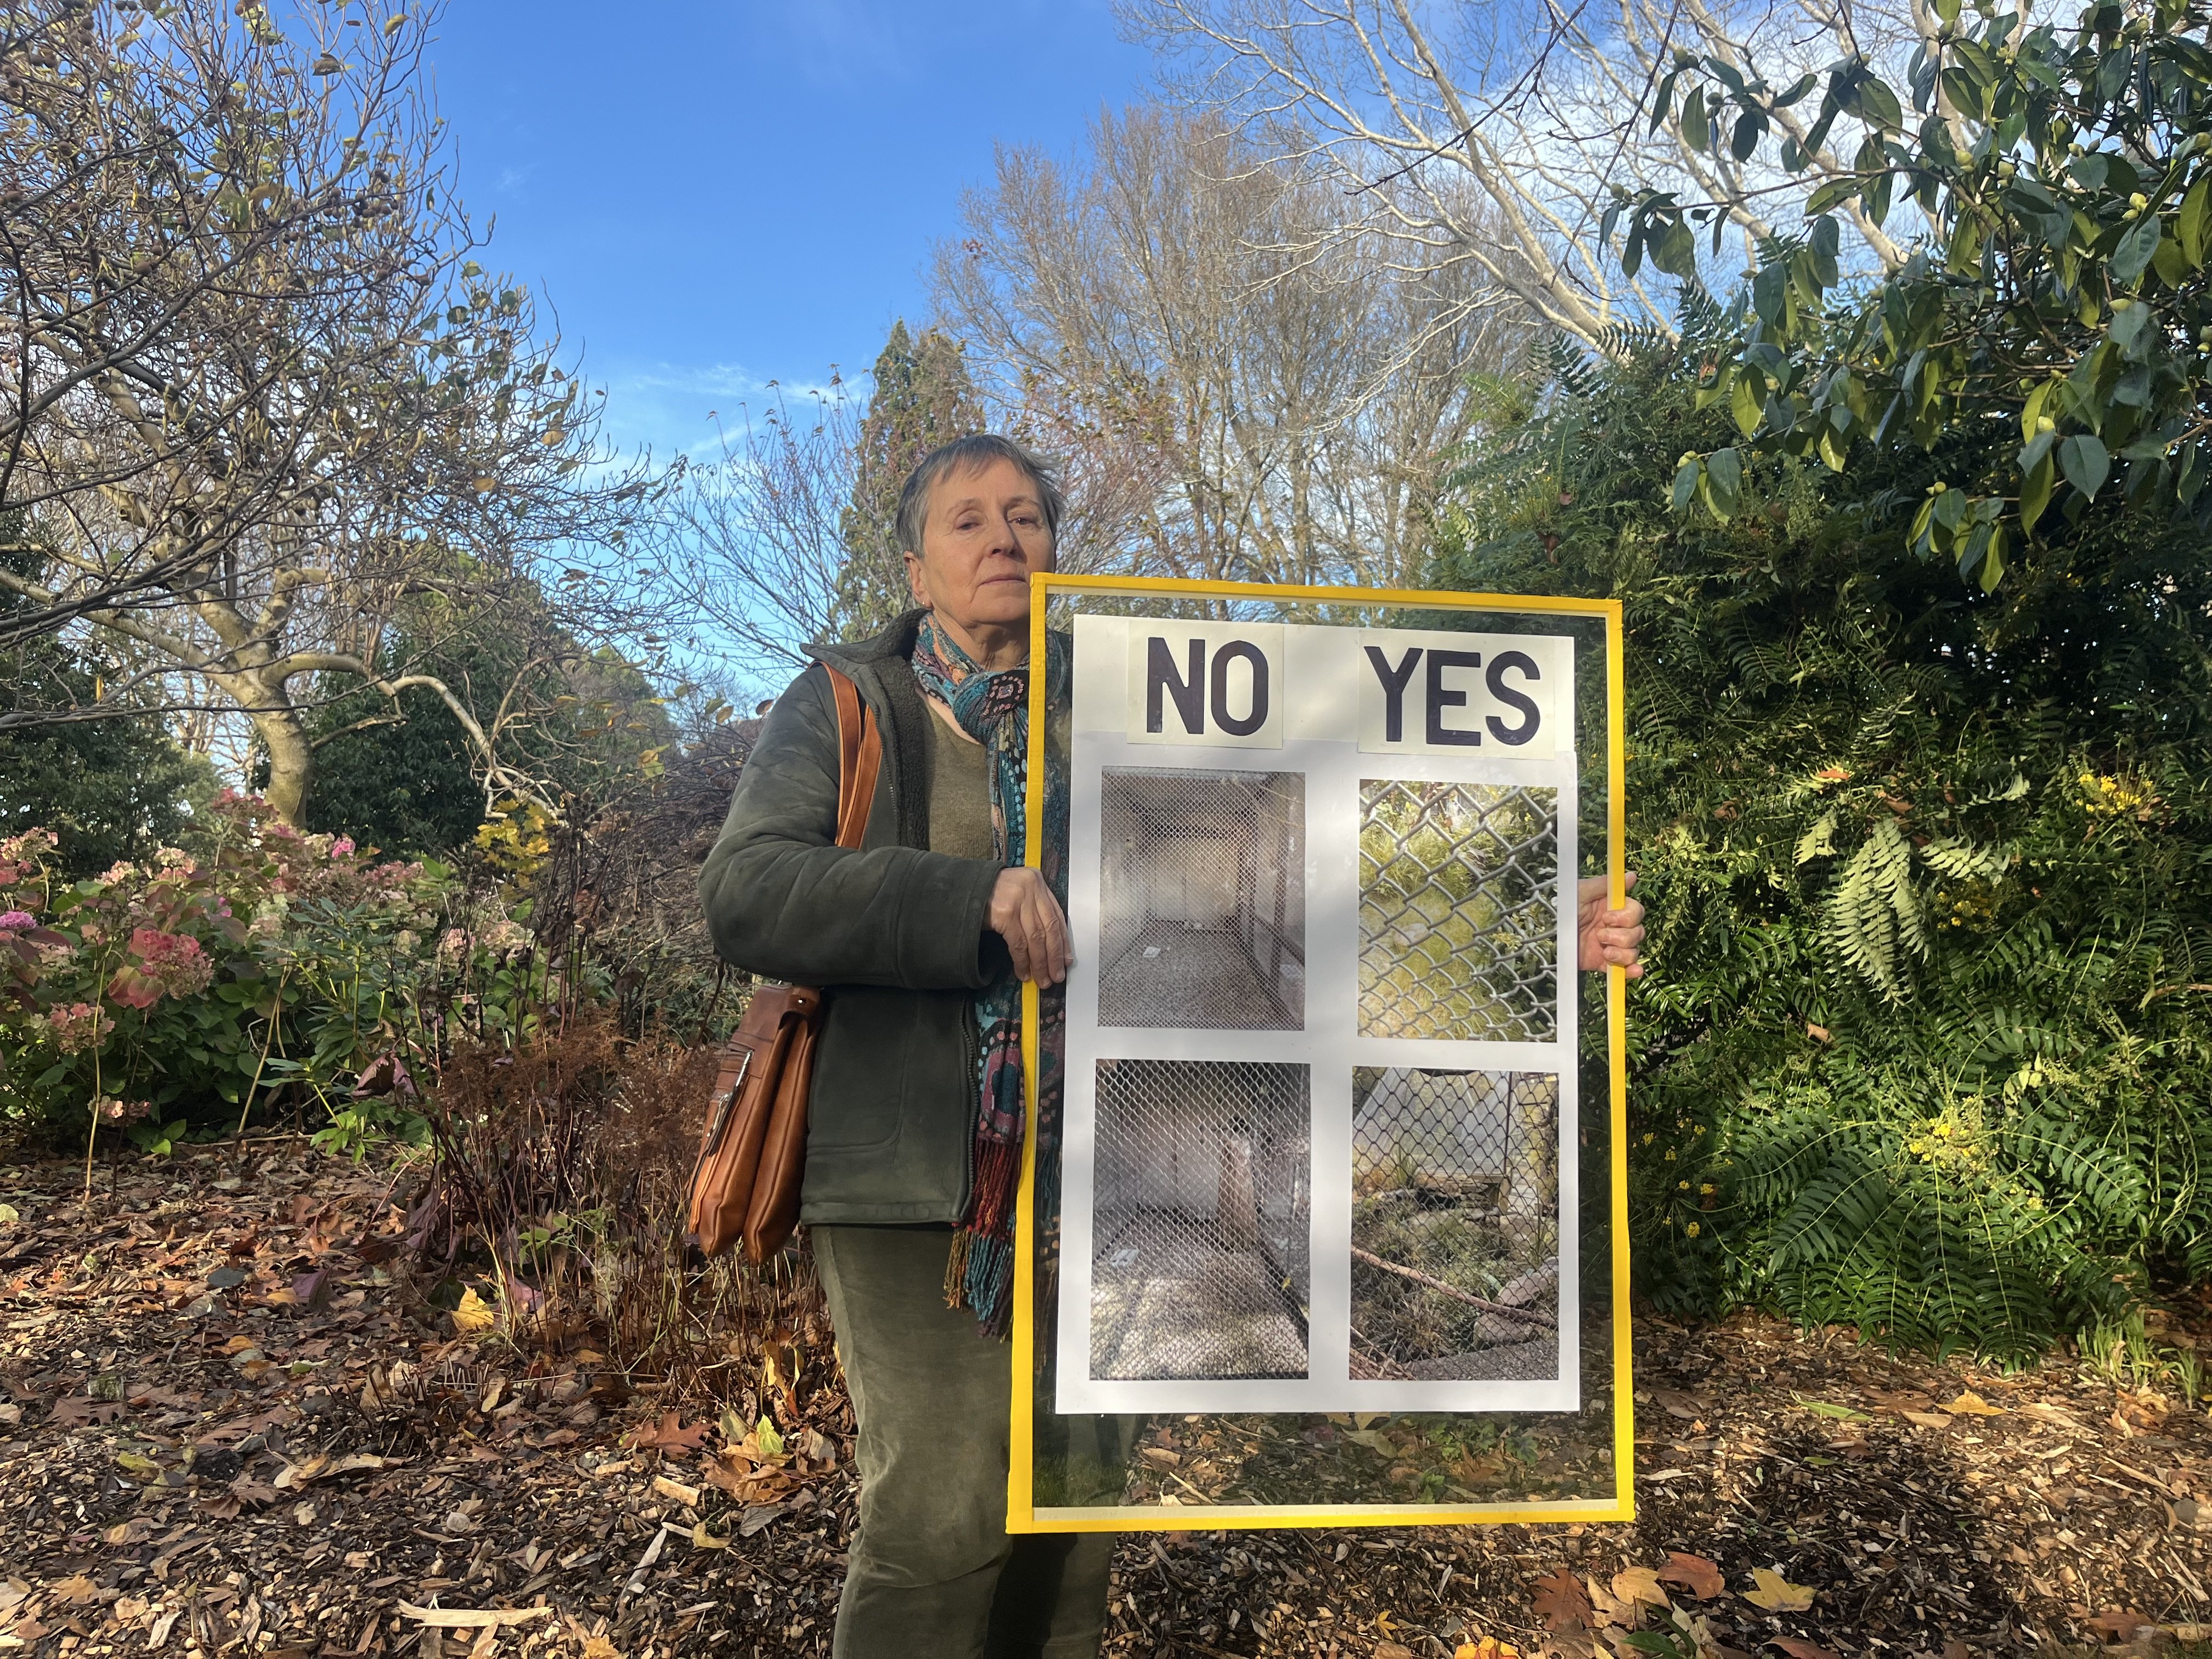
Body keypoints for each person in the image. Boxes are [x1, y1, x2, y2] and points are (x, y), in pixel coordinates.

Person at [698, 433, 1649, 1659]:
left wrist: (1535, 942)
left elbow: (1331, 904)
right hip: (913, 1186)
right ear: (914, 563)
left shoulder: (1124, 707)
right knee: (940, 1513)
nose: (1005, 539)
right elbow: (748, 892)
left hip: (1106, 1175)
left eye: (1029, 517)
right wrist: (967, 897)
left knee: (1077, 1507)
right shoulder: (850, 703)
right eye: (970, 520)